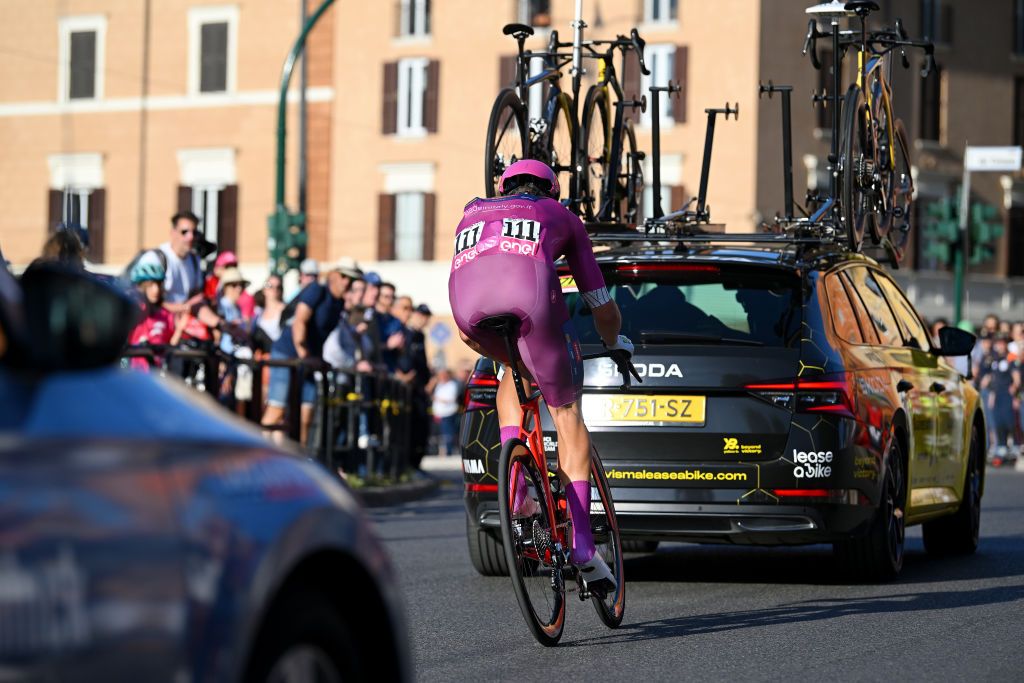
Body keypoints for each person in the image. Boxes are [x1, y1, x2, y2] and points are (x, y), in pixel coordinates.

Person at [447, 159, 631, 591]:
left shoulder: (472, 211)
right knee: (566, 413)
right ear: (554, 191)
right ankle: (584, 546)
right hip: (530, 302)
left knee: (512, 370)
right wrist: (615, 340)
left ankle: (514, 480)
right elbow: (600, 303)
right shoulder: (561, 216)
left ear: (502, 186)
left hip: (467, 315)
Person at [261, 259, 361, 445]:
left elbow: (321, 336)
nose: (346, 282)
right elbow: (300, 320)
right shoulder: (317, 290)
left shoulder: (338, 303)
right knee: (277, 409)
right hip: (287, 354)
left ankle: (298, 461)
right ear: (333, 274)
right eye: (344, 276)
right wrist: (304, 354)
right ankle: (258, 458)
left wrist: (318, 359)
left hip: (309, 359)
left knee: (306, 414)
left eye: (351, 279)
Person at [126, 262, 186, 370]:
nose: (156, 290)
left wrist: (179, 330)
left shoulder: (165, 314)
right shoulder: (134, 311)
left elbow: (170, 346)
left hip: (156, 375)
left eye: (159, 284)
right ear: (140, 287)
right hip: (134, 375)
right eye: (150, 285)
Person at [431, 368, 461, 456]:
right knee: (442, 434)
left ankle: (449, 451)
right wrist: (433, 382)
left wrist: (436, 398)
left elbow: (450, 399)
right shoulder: (439, 385)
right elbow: (427, 391)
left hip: (448, 413)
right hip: (440, 414)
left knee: (448, 433)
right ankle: (444, 450)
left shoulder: (452, 385)